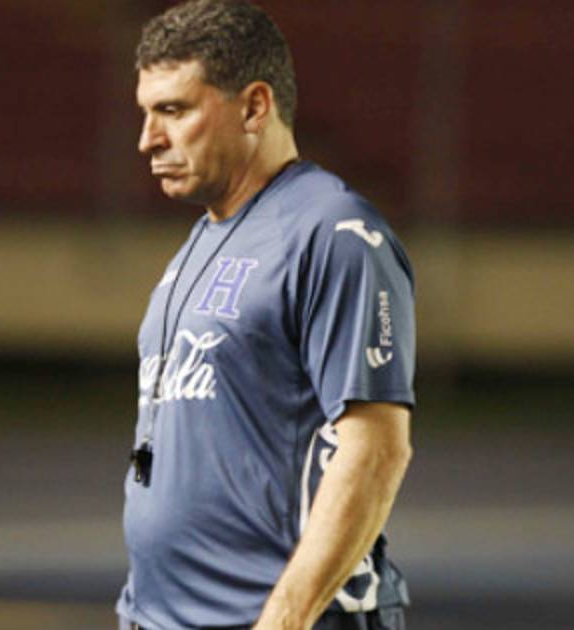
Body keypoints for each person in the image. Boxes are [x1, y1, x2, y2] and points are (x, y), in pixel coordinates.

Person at [119, 1, 415, 628]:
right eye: (146, 113)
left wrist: (284, 619)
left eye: (173, 110)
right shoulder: (203, 241)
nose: (148, 138)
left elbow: (376, 450)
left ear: (254, 107)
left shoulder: (332, 232)